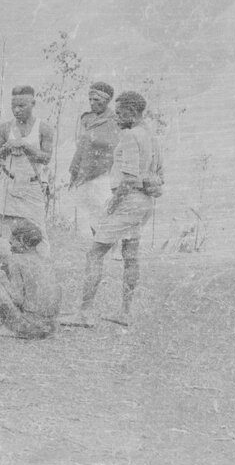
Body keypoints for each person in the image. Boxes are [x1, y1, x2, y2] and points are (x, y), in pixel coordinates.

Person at [60, 91, 163, 328]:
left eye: (120, 112)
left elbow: (128, 179)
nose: (116, 117)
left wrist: (112, 204)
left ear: (133, 112)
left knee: (94, 253)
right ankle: (125, 312)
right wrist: (145, 189)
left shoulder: (129, 136)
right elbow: (159, 177)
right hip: (144, 202)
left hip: (127, 201)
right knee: (130, 256)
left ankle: (84, 313)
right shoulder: (151, 136)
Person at [0, 85, 54, 255]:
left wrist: (25, 146)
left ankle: (42, 270)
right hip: (8, 184)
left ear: (32, 104)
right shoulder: (5, 127)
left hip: (31, 186)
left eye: (21, 106)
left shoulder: (43, 128)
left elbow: (46, 157)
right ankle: (1, 267)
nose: (16, 110)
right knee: (0, 231)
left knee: (38, 231)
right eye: (13, 106)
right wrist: (6, 148)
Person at [0, 220, 61, 339]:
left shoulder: (17, 260)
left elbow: (18, 299)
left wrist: (3, 279)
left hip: (30, 327)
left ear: (22, 241)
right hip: (50, 327)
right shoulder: (45, 260)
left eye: (12, 243)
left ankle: (10, 327)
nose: (10, 247)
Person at [68, 82, 120, 239]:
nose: (92, 103)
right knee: (92, 212)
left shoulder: (115, 121)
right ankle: (97, 243)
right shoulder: (86, 119)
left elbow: (117, 148)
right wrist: (75, 171)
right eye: (90, 99)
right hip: (85, 171)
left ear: (107, 100)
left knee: (106, 210)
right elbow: (81, 147)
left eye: (97, 100)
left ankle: (112, 245)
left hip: (105, 174)